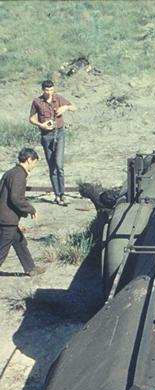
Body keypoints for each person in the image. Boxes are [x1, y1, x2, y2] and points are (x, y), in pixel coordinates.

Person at [29, 80, 76, 206]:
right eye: (46, 90)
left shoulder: (59, 98)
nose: (49, 92)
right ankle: (57, 195)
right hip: (46, 136)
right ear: (42, 90)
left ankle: (62, 194)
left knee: (59, 166)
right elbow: (31, 118)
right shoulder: (37, 102)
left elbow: (74, 107)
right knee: (52, 167)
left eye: (51, 90)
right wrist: (41, 125)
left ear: (53, 89)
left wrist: (65, 107)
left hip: (59, 134)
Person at [0, 148, 45, 277]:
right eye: (35, 162)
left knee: (20, 242)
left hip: (6, 217)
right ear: (29, 160)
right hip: (7, 220)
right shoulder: (19, 175)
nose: (35, 166)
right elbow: (16, 199)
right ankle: (31, 269)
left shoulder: (11, 172)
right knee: (2, 249)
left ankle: (31, 268)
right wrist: (31, 209)